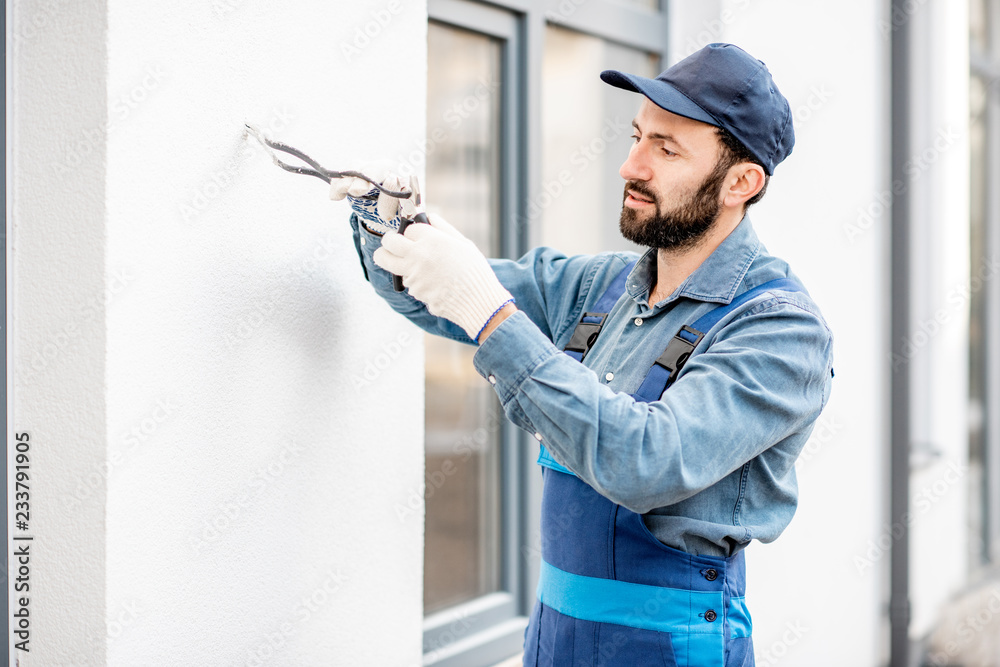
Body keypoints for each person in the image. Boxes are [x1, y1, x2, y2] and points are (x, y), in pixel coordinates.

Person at [333, 43, 833, 667]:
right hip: (554, 639)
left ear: (741, 182)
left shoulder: (778, 329)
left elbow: (647, 463)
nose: (631, 165)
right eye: (637, 136)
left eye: (666, 149)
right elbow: (433, 296)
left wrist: (493, 316)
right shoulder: (596, 288)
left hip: (672, 649)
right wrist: (389, 225)